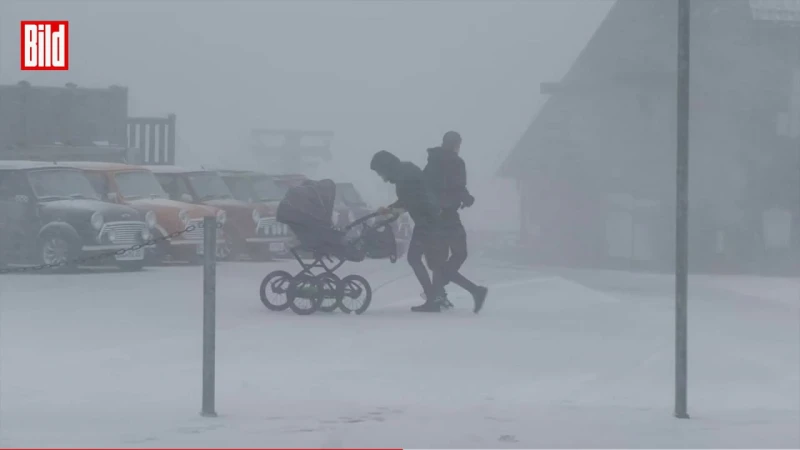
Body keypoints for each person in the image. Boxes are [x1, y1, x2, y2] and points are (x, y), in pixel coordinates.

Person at [370, 150, 446, 312]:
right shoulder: (405, 172)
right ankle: (437, 297)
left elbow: (410, 201)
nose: (383, 178)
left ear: (386, 167)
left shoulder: (405, 177)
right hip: (428, 219)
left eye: (380, 173)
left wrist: (391, 210)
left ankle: (434, 298)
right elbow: (407, 200)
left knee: (417, 258)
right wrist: (391, 209)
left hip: (428, 221)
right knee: (431, 260)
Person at [422, 131, 487, 313]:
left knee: (440, 260)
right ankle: (472, 290)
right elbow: (457, 186)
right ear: (456, 144)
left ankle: (436, 296)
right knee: (460, 253)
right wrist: (467, 199)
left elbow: (427, 185)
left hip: (434, 215)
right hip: (448, 215)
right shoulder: (456, 162)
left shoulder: (432, 161)